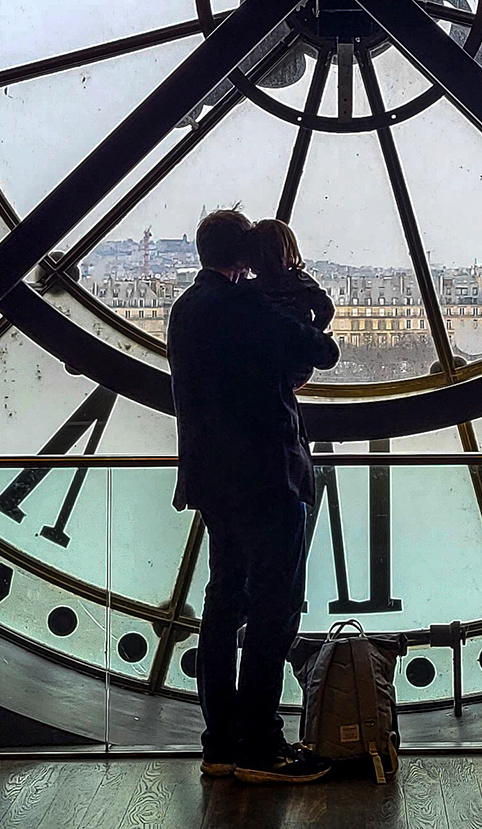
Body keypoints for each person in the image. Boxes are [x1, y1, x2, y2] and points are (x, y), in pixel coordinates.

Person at [169, 209, 340, 784]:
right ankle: (262, 746)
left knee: (223, 608)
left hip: (214, 481)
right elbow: (322, 352)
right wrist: (295, 286)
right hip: (269, 478)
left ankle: (222, 743)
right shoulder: (249, 311)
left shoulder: (187, 309)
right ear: (243, 256)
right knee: (273, 612)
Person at [247, 219, 335, 391]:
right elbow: (326, 309)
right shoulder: (301, 281)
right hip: (298, 362)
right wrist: (314, 334)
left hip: (264, 363)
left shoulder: (250, 290)